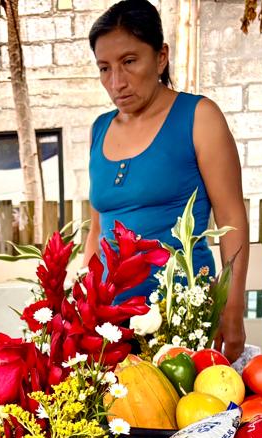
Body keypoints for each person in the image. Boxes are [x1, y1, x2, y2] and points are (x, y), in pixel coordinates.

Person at [83, 0, 250, 361]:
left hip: (181, 318)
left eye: (129, 62)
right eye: (105, 68)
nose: (116, 82)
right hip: (111, 326)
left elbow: (231, 217)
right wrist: (82, 307)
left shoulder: (199, 117)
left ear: (161, 57)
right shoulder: (99, 130)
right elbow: (97, 231)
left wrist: (232, 307)